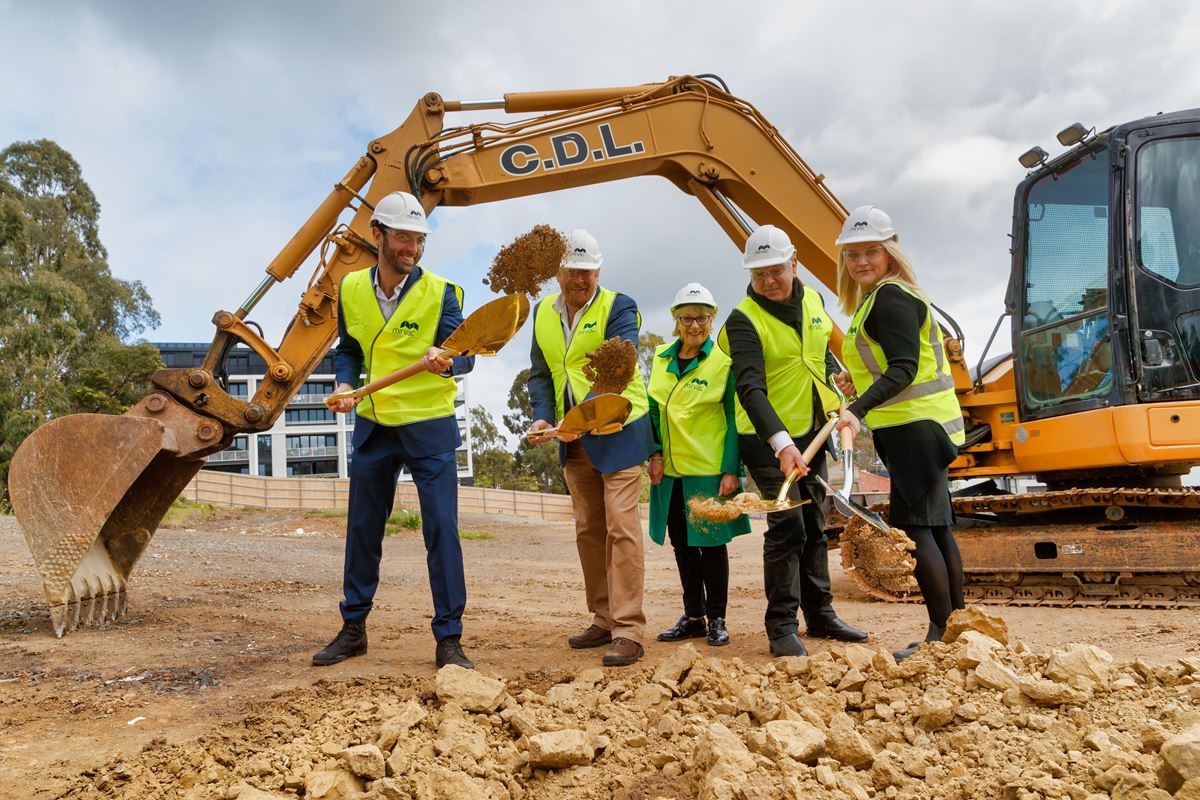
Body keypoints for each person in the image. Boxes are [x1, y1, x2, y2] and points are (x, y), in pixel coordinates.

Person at [313, 190, 476, 670]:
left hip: (428, 428)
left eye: (419, 240)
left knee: (442, 530)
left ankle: (450, 639)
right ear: (377, 235)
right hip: (375, 426)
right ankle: (353, 628)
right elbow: (349, 348)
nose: (413, 248)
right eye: (404, 237)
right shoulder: (349, 289)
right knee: (362, 529)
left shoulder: (444, 292)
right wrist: (345, 382)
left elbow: (467, 353)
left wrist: (447, 362)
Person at [718, 225, 868, 657]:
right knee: (788, 529)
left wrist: (837, 385)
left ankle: (820, 615)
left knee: (816, 526)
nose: (768, 281)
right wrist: (782, 445)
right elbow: (750, 389)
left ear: (794, 264)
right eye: (759, 274)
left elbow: (818, 356)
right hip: (766, 438)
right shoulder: (743, 318)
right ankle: (781, 626)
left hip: (813, 432)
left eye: (775, 271)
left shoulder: (816, 302)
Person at [831, 205, 967, 661]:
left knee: (918, 530)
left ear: (890, 251)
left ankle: (939, 636)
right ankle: (956, 631)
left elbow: (906, 368)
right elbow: (894, 365)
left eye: (871, 251)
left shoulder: (890, 298)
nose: (861, 262)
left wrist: (856, 408)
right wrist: (861, 384)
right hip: (918, 427)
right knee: (938, 528)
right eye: (852, 255)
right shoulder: (884, 298)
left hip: (915, 429)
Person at [528, 229, 655, 667]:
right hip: (572, 437)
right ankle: (603, 618)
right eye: (571, 271)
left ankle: (629, 629)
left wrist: (577, 419)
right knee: (588, 531)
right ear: (557, 271)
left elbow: (618, 366)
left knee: (622, 527)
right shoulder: (542, 311)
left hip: (618, 429)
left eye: (587, 271)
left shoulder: (620, 307)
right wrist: (545, 416)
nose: (579, 279)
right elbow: (541, 373)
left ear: (598, 269)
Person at [647, 283, 750, 648]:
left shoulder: (723, 362)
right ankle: (693, 616)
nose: (695, 325)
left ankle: (717, 618)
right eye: (687, 317)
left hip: (707, 471)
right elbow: (654, 411)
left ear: (712, 319)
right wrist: (655, 454)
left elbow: (735, 419)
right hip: (671, 473)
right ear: (676, 320)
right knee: (682, 545)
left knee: (711, 546)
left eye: (703, 318)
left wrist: (730, 470)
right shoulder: (660, 358)